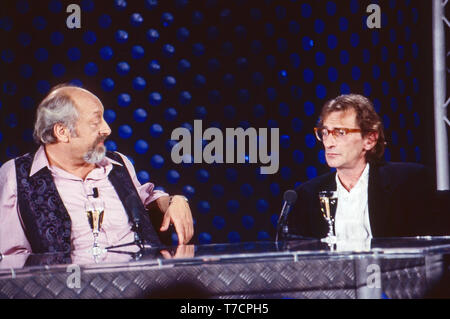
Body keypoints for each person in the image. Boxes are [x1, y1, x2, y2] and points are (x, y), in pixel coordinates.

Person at [0, 84, 194, 257]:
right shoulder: (17, 176)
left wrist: (174, 201)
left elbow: (145, 202)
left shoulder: (118, 164)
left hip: (145, 284)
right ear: (62, 132)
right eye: (96, 121)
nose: (107, 129)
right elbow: (11, 259)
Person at [287, 93, 445, 241]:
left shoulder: (407, 183)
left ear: (370, 139)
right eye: (325, 132)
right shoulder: (307, 195)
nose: (329, 143)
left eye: (340, 132)